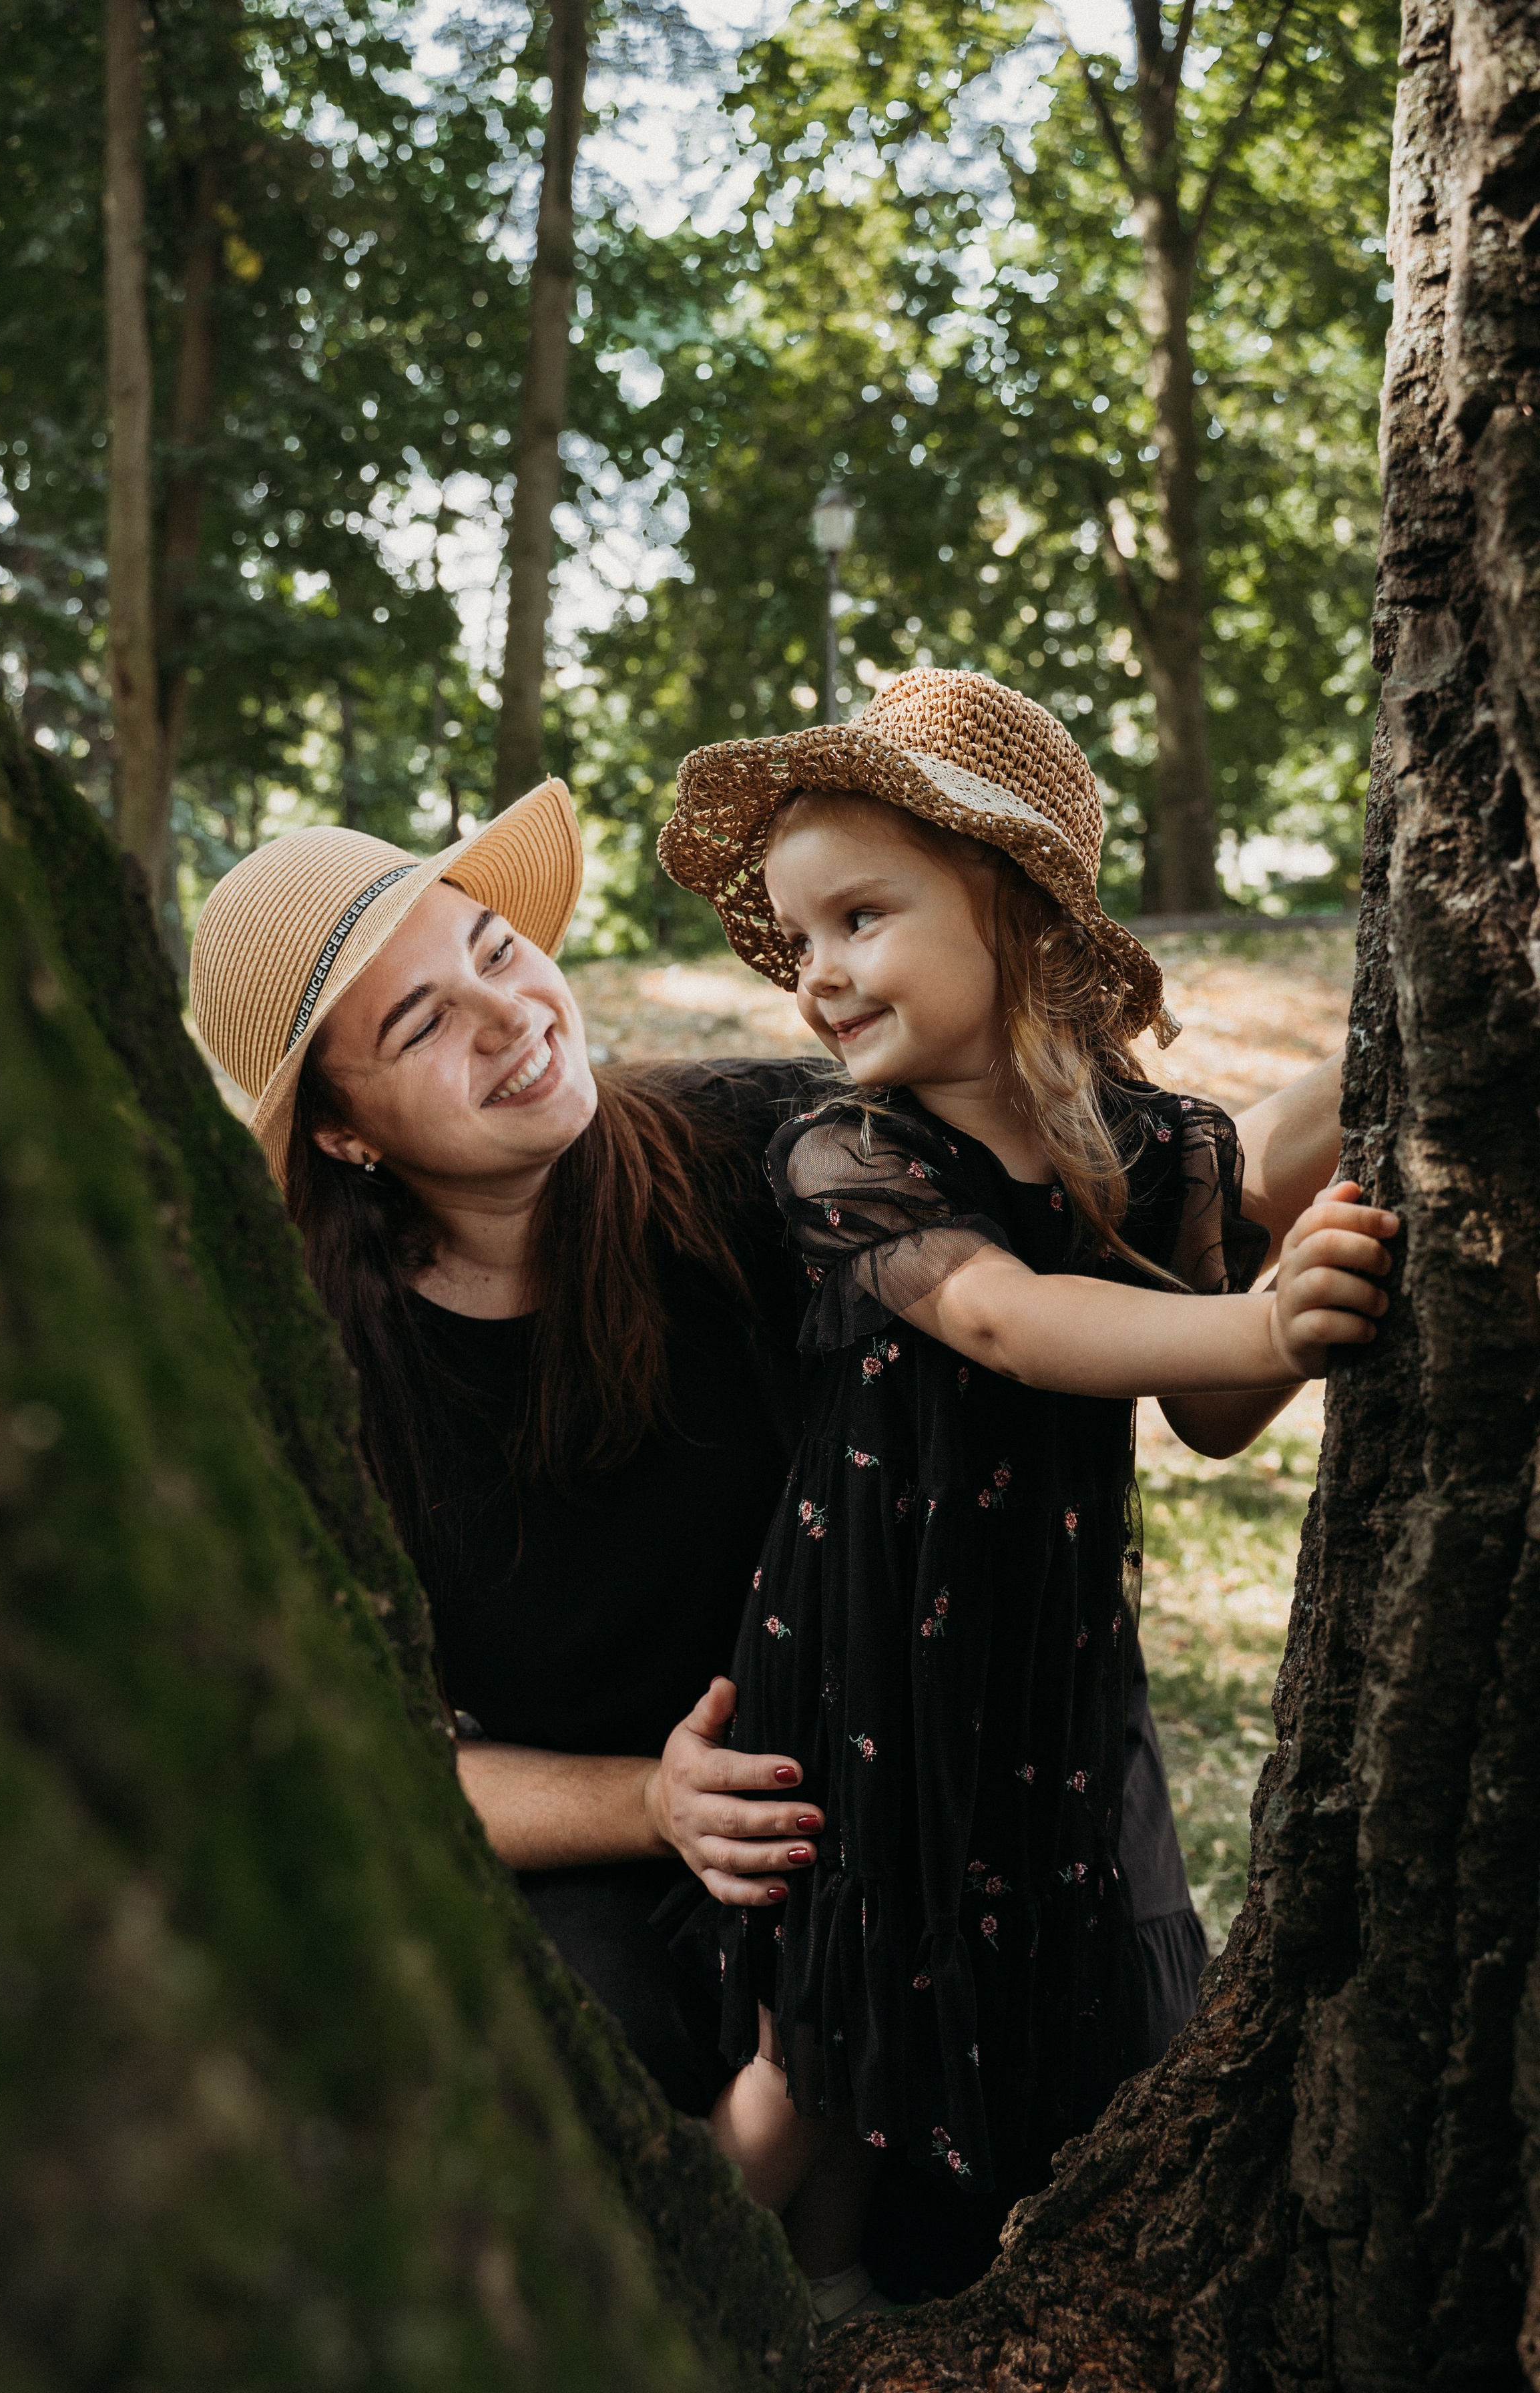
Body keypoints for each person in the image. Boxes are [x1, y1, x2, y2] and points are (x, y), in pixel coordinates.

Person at [187, 758, 1350, 2311]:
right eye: (417, 1024)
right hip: (642, 1874)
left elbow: (1101, 1211)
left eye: (488, 948)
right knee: (620, 2151)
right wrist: (650, 1800)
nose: (507, 1012)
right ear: (339, 1134)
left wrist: (1378, 1084)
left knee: (1048, 2210)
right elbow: (355, 1761)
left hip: (965, 1768)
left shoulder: (771, 1148)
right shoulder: (317, 1393)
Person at [654, 667, 1396, 2307]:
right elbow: (1001, 1315)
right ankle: (661, 2309)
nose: (820, 975)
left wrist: (1298, 1326)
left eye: (859, 916)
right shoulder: (848, 1155)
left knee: (1021, 2024)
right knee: (815, 2065)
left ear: (1014, 914)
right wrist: (1256, 1309)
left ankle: (882, 2301)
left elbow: (1205, 1411)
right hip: (855, 1676)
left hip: (1043, 1678)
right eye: (798, 939)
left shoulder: (1147, 1144)